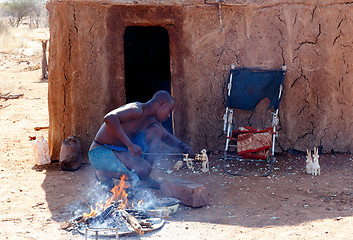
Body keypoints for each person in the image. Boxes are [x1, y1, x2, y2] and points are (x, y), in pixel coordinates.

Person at [88, 90, 195, 190]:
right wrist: (130, 145)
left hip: (120, 151)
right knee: (144, 169)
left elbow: (166, 137)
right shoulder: (136, 109)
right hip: (100, 152)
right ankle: (103, 173)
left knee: (157, 131)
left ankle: (144, 178)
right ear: (161, 104)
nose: (168, 115)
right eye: (169, 111)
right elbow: (109, 118)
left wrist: (184, 147)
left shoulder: (152, 121)